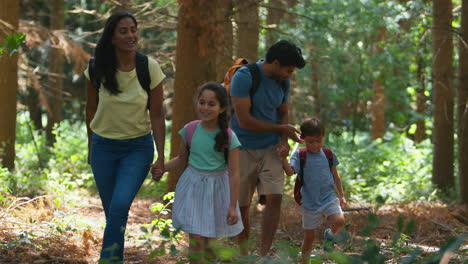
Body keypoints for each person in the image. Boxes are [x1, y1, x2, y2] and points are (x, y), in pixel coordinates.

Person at [84, 11, 166, 263]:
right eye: (124, 31)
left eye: (133, 29)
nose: (131, 35)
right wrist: (90, 146)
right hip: (103, 148)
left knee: (119, 207)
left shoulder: (148, 67)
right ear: (112, 37)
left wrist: (161, 156)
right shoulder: (97, 67)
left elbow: (158, 115)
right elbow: (90, 109)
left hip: (137, 148)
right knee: (113, 214)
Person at [229, 40, 306, 257]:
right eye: (289, 70)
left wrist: (283, 139)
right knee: (242, 204)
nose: (290, 75)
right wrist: (281, 128)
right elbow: (244, 120)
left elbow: (283, 112)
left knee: (275, 199)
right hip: (242, 148)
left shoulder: (283, 82)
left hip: (271, 148)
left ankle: (263, 255)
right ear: (276, 62)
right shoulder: (244, 77)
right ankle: (244, 255)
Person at [153, 82, 243, 264]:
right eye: (202, 102)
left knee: (210, 244)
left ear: (222, 108)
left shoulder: (228, 136)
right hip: (193, 187)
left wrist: (232, 206)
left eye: (211, 104)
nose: (205, 107)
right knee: (195, 240)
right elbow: (181, 159)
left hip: (217, 189)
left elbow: (234, 173)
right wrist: (162, 168)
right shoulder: (190, 129)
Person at [280, 118, 346, 263]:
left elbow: (335, 176)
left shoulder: (328, 154)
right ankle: (305, 260)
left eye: (318, 140)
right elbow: (290, 172)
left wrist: (341, 196)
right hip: (309, 201)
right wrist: (283, 158)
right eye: (311, 141)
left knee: (339, 220)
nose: (315, 145)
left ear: (322, 138)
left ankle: (330, 236)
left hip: (329, 197)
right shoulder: (300, 155)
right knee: (309, 237)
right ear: (302, 139)